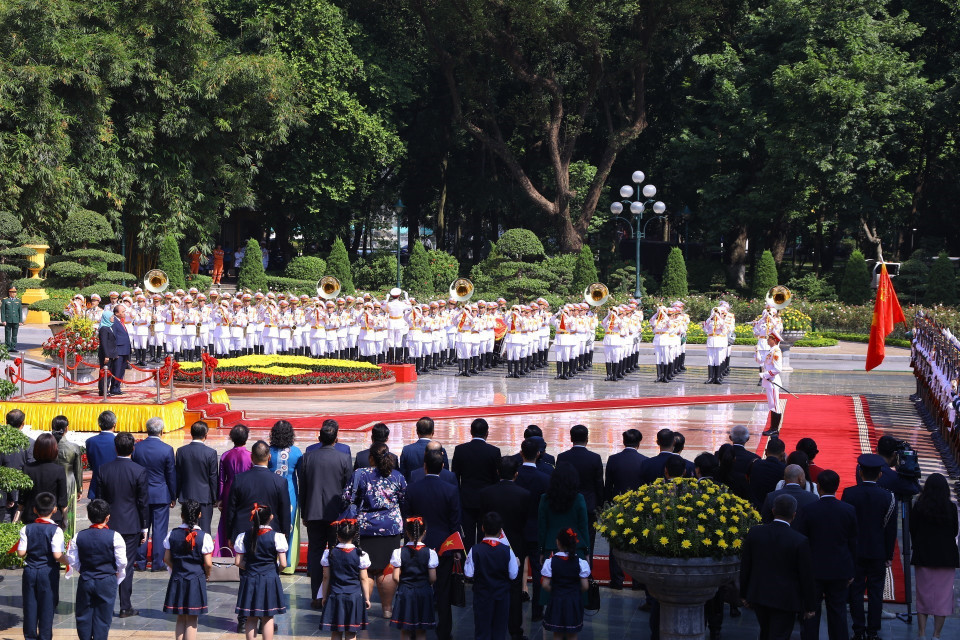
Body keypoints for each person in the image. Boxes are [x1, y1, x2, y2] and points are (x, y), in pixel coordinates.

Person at [342, 442, 407, 617]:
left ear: (371, 458)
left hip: (365, 528)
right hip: (391, 528)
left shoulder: (360, 474)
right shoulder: (398, 477)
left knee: (367, 569)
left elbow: (347, 497)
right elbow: (404, 500)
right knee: (386, 568)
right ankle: (387, 609)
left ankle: (365, 605)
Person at [739, 494, 817, 640]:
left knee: (765, 632)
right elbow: (806, 576)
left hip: (759, 594)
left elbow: (746, 566)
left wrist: (744, 594)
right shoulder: (799, 541)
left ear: (773, 511)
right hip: (786, 599)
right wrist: (810, 605)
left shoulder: (755, 532)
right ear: (794, 515)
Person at [403, 448, 462, 640]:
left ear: (424, 466)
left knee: (415, 588)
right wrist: (456, 550)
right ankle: (444, 632)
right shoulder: (451, 490)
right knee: (443, 592)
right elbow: (455, 523)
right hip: (443, 547)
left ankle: (413, 627)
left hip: (417, 546)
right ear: (443, 466)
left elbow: (408, 518)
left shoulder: (412, 489)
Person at [793, 470, 858, 640]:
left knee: (810, 611)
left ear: (818, 487)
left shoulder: (808, 510)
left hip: (813, 569)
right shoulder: (848, 510)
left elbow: (801, 540)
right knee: (838, 612)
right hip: (839, 568)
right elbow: (853, 542)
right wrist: (851, 570)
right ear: (837, 487)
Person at [841, 454, 897, 640]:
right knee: (875, 592)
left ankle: (858, 631)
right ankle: (872, 632)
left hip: (855, 550)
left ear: (860, 472)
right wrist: (889, 554)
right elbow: (890, 530)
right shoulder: (888, 497)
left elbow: (846, 525)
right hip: (877, 551)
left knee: (856, 591)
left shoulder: (849, 493)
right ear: (880, 475)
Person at [94, 432, 148, 619]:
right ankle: (125, 606)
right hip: (131, 525)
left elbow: (100, 501)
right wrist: (145, 526)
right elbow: (142, 502)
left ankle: (103, 603)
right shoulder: (139, 470)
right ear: (132, 448)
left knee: (107, 564)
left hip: (108, 524)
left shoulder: (103, 469)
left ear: (115, 448)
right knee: (127, 566)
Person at [299, 419, 353, 604]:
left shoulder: (308, 457)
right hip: (336, 514)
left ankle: (317, 595)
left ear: (319, 438)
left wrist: (304, 513)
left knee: (315, 553)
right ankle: (332, 595)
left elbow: (303, 489)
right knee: (335, 552)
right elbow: (348, 489)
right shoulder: (343, 458)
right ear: (336, 439)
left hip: (313, 513)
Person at [477, 457, 531, 640]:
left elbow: (481, 519)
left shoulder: (486, 493)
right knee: (514, 587)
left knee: (487, 582)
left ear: (498, 472)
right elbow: (525, 521)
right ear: (516, 474)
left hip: (489, 544)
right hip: (515, 544)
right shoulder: (524, 494)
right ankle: (515, 629)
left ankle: (488, 627)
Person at [67, 499, 127, 640]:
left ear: (88, 516)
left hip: (86, 578)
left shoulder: (78, 536)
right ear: (107, 517)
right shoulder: (115, 536)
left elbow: (73, 559)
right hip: (107, 579)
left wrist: (83, 570)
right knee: (103, 616)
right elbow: (122, 561)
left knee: (83, 615)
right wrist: (115, 573)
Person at [909, 473, 959, 640]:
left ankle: (921, 633)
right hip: (946, 558)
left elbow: (912, 529)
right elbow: (954, 531)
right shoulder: (951, 508)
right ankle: (936, 635)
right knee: (943, 598)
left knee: (923, 595)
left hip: (924, 555)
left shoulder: (919, 506)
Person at [18, 492, 68, 640]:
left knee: (30, 605)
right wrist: (70, 561)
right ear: (54, 509)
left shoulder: (26, 529)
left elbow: (21, 553)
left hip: (30, 570)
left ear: (34, 509)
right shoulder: (56, 530)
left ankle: (30, 637)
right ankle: (45, 637)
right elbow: (57, 555)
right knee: (47, 607)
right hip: (48, 571)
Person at [234, 504, 288, 640]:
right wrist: (273, 570)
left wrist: (251, 567)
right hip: (269, 578)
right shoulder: (278, 537)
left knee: (250, 616)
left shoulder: (243, 536)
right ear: (271, 517)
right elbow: (283, 563)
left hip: (250, 577)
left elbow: (238, 562)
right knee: (268, 616)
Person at [163, 500, 214, 640]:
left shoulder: (172, 534)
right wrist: (207, 574)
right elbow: (208, 563)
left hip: (178, 577)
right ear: (200, 514)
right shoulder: (205, 537)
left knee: (180, 616)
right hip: (196, 579)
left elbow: (166, 559)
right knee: (192, 618)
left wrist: (176, 569)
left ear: (181, 515)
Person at [465, 512, 520, 640]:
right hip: (502, 596)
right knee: (499, 631)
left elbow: (468, 573)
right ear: (501, 530)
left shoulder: (475, 549)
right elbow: (513, 575)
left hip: (482, 597)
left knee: (482, 631)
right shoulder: (507, 550)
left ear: (482, 528)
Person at [131, 417, 177, 572]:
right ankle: (158, 563)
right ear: (162, 431)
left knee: (142, 528)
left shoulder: (137, 448)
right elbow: (170, 474)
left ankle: (141, 562)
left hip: (141, 494)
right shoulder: (167, 449)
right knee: (159, 530)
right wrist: (173, 495)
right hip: (160, 494)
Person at [604, 428, 646, 590]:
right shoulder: (644, 460)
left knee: (616, 544)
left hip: (617, 507)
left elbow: (608, 486)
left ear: (623, 441)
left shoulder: (614, 459)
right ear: (639, 442)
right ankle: (637, 581)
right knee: (637, 544)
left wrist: (607, 507)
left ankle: (616, 580)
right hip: (637, 508)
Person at [555, 425, 604, 560]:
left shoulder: (562, 457)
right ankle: (587, 573)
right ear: (587, 438)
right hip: (589, 506)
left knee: (566, 538)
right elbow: (599, 485)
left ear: (571, 438)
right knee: (588, 541)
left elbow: (558, 483)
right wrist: (600, 506)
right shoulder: (594, 458)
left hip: (567, 505)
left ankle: (566, 567)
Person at [452, 418, 502, 549]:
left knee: (466, 537)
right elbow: (497, 478)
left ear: (470, 432)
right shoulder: (494, 452)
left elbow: (455, 478)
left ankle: (466, 566)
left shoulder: (460, 450)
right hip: (487, 500)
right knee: (484, 536)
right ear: (487, 433)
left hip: (465, 500)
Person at [319, 519, 372, 640]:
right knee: (351, 632)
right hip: (354, 596)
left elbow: (326, 577)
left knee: (336, 631)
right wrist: (367, 598)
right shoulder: (361, 554)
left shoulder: (329, 553)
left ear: (337, 535)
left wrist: (324, 596)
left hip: (336, 595)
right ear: (354, 535)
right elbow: (364, 578)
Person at [389, 516, 439, 638]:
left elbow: (395, 577)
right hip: (424, 591)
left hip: (405, 591)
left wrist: (403, 584)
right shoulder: (430, 553)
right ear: (424, 532)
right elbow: (433, 578)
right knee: (421, 629)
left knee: (405, 629)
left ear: (407, 533)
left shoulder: (399, 552)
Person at [541, 527, 591, 640]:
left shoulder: (551, 562)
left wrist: (555, 591)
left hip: (557, 599)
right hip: (573, 601)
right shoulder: (580, 563)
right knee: (572, 633)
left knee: (557, 632)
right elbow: (585, 586)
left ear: (558, 542)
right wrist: (575, 592)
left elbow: (545, 584)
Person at [538, 463, 589, 570]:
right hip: (575, 545)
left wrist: (541, 550)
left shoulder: (545, 499)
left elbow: (542, 527)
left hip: (551, 545)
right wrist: (587, 551)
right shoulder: (579, 498)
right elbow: (583, 527)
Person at [267, 420, 303, 574]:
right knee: (289, 527)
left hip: (271, 491)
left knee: (271, 524)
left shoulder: (268, 451)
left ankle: (270, 558)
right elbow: (301, 475)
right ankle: (287, 563)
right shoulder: (296, 452)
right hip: (290, 492)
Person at [175, 421, 219, 535]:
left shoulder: (181, 451)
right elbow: (213, 477)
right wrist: (215, 498)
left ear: (191, 433)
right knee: (204, 531)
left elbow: (178, 475)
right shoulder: (210, 453)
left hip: (186, 496)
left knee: (187, 529)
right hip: (204, 497)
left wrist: (174, 495)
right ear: (206, 434)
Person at [17, 433, 67, 528]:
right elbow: (62, 500)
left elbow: (22, 497)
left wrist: (18, 513)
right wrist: (65, 519)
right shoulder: (59, 470)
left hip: (30, 515)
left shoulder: (27, 468)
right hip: (52, 516)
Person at [217, 424, 252, 553]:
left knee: (228, 521)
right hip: (246, 490)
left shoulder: (225, 455)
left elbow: (221, 480)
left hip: (229, 490)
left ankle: (226, 551)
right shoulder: (250, 456)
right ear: (246, 438)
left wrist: (220, 498)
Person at [50, 416, 83, 537]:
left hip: (51, 480)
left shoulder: (48, 445)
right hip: (69, 480)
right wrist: (80, 488)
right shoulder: (73, 447)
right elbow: (78, 470)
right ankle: (68, 537)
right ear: (66, 429)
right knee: (69, 511)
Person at [717, 425, 760, 501]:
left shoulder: (720, 454)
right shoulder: (754, 458)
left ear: (730, 438)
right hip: (744, 497)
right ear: (748, 439)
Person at [757, 330, 785, 437]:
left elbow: (778, 369)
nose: (767, 340)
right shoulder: (771, 351)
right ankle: (773, 428)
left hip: (772, 381)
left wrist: (765, 375)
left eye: (769, 338)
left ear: (774, 340)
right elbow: (762, 361)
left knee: (775, 405)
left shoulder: (776, 352)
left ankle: (774, 429)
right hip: (769, 381)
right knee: (771, 404)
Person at [85, 411, 117, 499]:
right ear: (114, 424)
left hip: (96, 485)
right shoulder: (117, 441)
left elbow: (91, 463)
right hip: (115, 486)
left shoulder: (90, 442)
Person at [748, 437, 786, 507]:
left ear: (765, 452)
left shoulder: (754, 464)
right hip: (773, 507)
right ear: (783, 455)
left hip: (754, 506)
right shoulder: (784, 469)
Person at [108, 305, 132, 395]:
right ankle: (113, 387)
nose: (124, 313)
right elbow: (113, 337)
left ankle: (117, 387)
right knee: (117, 370)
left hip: (124, 350)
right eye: (123, 311)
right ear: (117, 313)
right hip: (119, 350)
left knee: (121, 370)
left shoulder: (120, 321)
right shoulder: (114, 322)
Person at [97, 309, 118, 396]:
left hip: (111, 354)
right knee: (105, 372)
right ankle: (103, 390)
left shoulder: (109, 327)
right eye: (111, 317)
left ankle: (106, 389)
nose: (113, 318)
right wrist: (106, 355)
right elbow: (104, 343)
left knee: (109, 372)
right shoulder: (104, 329)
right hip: (106, 354)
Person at [1, 285, 23, 351]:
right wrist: (3, 320)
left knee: (14, 334)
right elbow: (3, 311)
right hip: (8, 320)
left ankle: (13, 347)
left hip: (16, 320)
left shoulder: (18, 301)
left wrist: (20, 321)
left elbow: (20, 312)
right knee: (7, 334)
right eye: (11, 292)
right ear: (9, 293)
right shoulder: (5, 300)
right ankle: (7, 346)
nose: (13, 293)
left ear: (16, 293)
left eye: (14, 292)